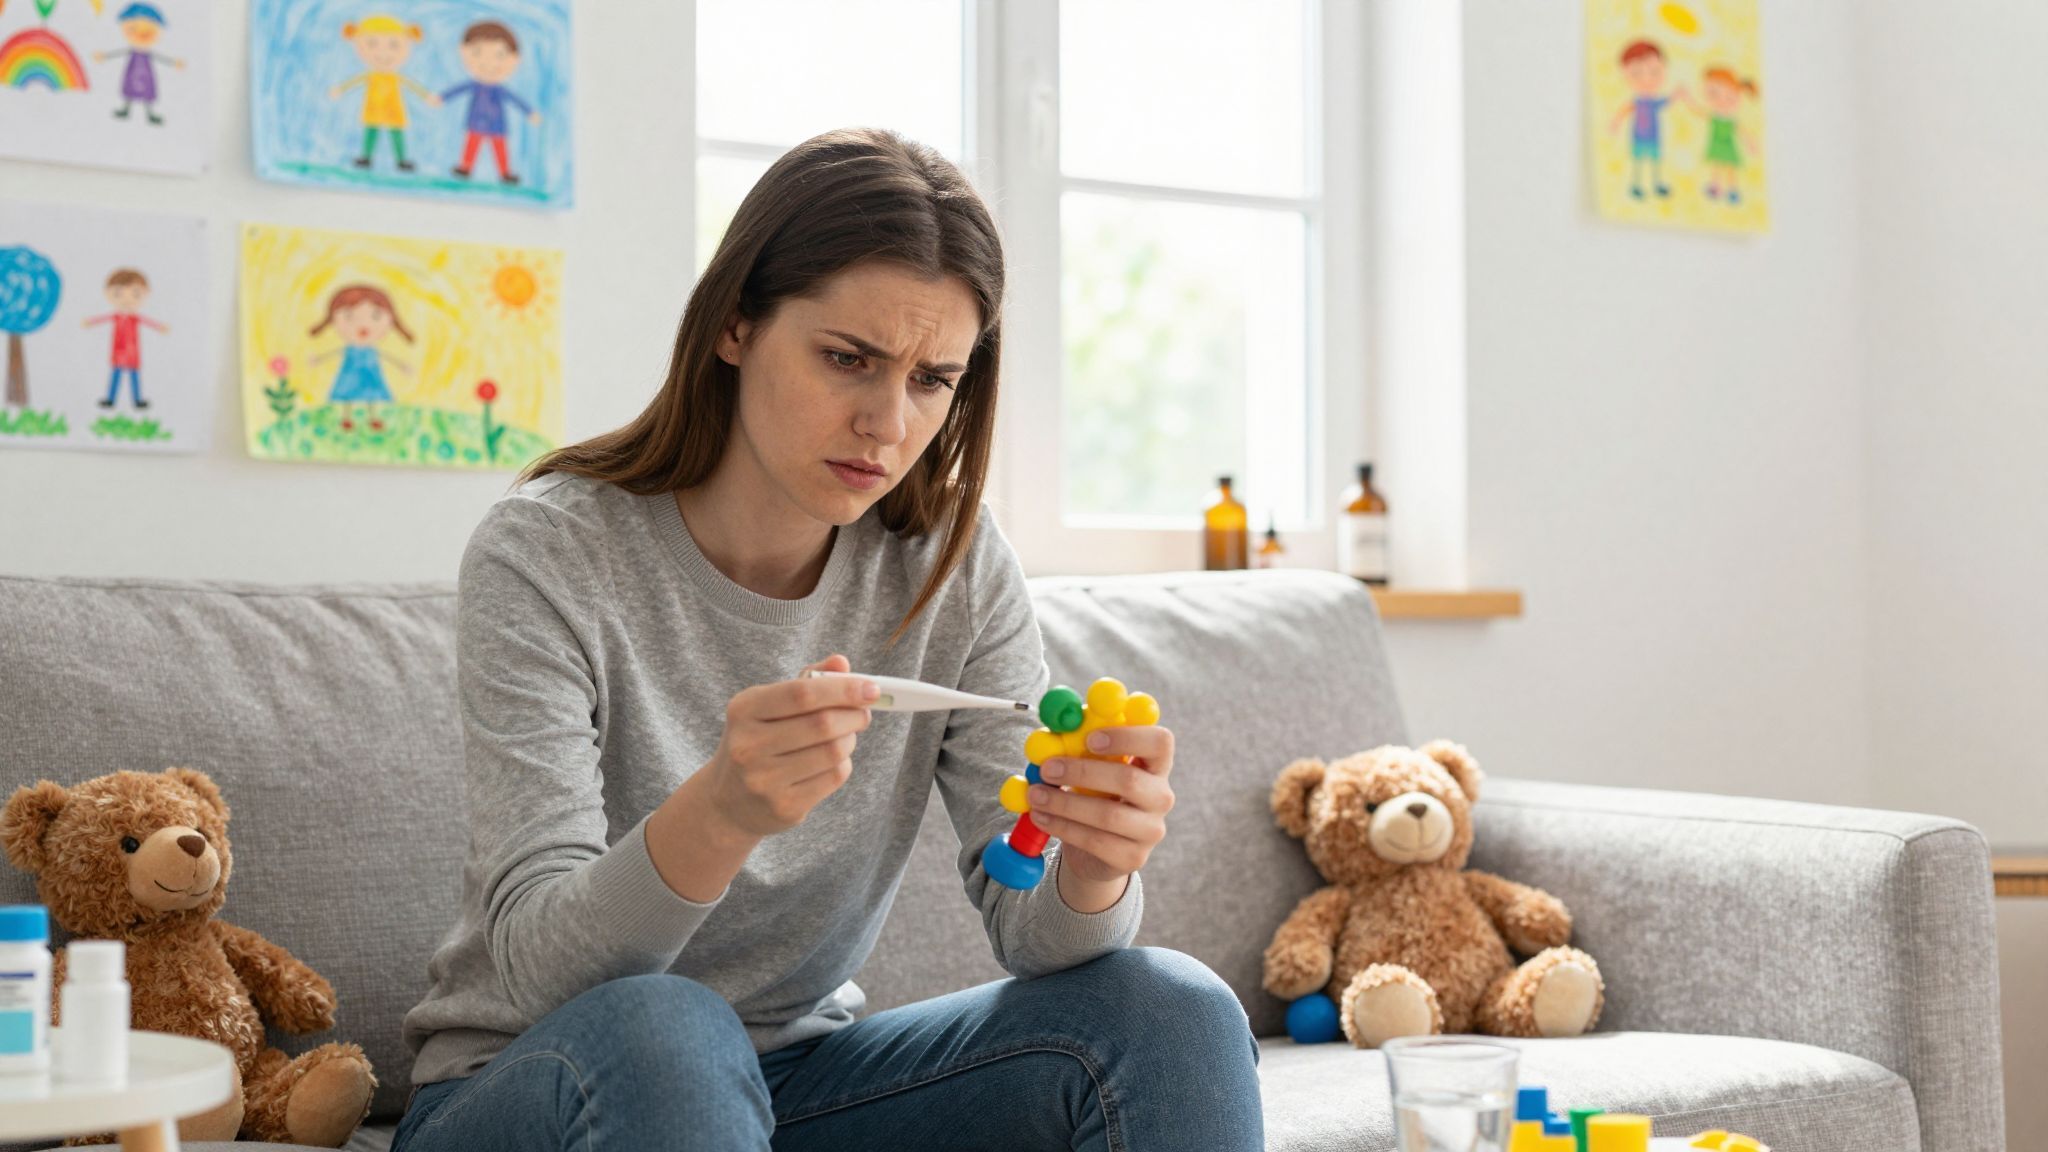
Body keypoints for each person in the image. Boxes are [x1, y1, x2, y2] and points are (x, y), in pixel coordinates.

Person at [392, 128, 1263, 1151]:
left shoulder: (954, 562)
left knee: (1168, 1008)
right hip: (537, 1081)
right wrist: (720, 810)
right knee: (669, 1029)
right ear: (732, 325)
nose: (886, 424)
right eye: (847, 359)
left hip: (801, 1084)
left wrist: (1093, 864)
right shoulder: (548, 551)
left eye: (932, 380)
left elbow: (1035, 933)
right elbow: (542, 965)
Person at [329, 15, 437, 172]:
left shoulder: (396, 77)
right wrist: (340, 89)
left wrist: (426, 96)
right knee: (371, 131)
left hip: (393, 108)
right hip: (374, 108)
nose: (383, 53)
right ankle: (366, 157)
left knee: (396, 133)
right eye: (372, 44)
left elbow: (412, 85)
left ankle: (401, 160)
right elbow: (354, 82)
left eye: (394, 45)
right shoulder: (371, 75)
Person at [440, 19, 540, 185]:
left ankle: (505, 173)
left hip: (496, 123)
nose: (488, 63)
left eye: (499, 55)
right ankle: (465, 168)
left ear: (515, 59)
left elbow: (515, 100)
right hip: (476, 121)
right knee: (471, 145)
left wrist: (530, 112)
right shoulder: (474, 85)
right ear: (463, 52)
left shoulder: (500, 90)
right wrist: (442, 98)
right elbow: (457, 90)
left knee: (499, 148)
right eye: (477, 53)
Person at [307, 284, 414, 433]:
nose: (363, 325)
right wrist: (318, 359)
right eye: (348, 316)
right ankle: (346, 418)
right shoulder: (349, 348)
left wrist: (402, 365)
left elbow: (386, 356)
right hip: (350, 375)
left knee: (371, 394)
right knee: (348, 394)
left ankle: (373, 418)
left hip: (370, 376)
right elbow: (335, 352)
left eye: (376, 316)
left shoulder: (372, 350)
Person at [82, 268, 167, 410]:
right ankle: (110, 399)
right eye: (118, 294)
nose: (127, 300)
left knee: (134, 377)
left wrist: (160, 327)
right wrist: (90, 322)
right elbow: (102, 319)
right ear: (107, 294)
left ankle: (137, 400)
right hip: (119, 352)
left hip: (132, 353)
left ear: (146, 294)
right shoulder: (116, 317)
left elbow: (149, 322)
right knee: (116, 376)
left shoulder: (135, 318)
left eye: (135, 294)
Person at [93, 3, 184, 125]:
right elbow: (120, 52)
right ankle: (126, 110)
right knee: (130, 89)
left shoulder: (146, 53)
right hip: (133, 72)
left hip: (145, 73)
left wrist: (173, 63)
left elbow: (159, 57)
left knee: (147, 91)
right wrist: (105, 56)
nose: (141, 33)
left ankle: (149, 114)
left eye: (148, 30)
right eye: (133, 28)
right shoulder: (133, 51)